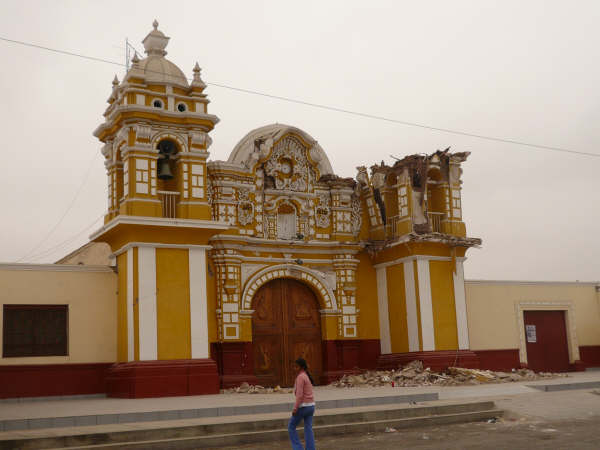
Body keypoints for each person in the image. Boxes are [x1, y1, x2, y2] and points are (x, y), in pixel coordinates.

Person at [288, 357, 316, 450]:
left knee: (291, 427)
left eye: (296, 367)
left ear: (300, 367)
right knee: (308, 428)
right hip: (311, 406)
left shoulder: (300, 377)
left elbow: (299, 395)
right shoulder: (306, 375)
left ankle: (298, 448)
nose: (294, 368)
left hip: (303, 406)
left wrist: (295, 408)